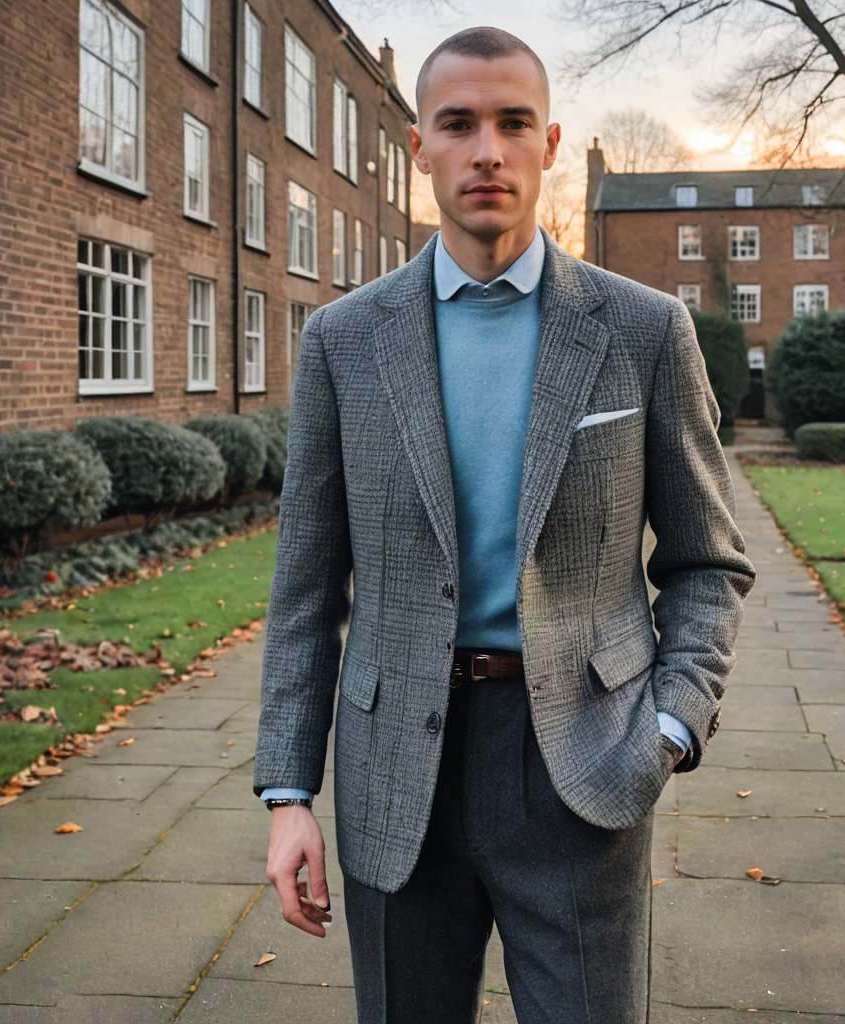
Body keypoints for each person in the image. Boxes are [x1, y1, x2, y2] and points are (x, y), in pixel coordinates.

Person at [253, 25, 756, 1024]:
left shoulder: (644, 331)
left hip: (581, 762)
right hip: (395, 767)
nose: (487, 148)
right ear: (420, 149)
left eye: (512, 122)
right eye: (459, 123)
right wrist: (287, 794)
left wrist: (667, 724)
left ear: (549, 142)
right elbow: (306, 588)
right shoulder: (344, 342)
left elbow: (708, 561)